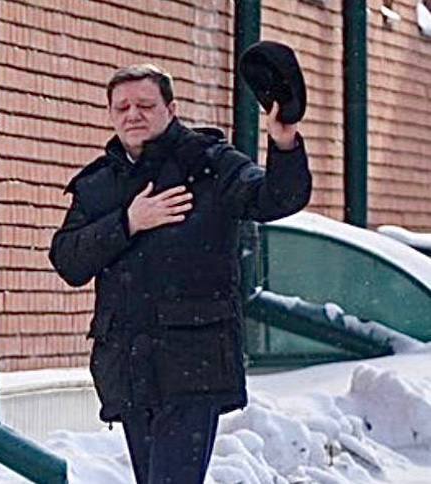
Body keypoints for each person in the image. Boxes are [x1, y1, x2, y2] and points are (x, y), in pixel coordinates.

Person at [48, 64, 312, 483]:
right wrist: (128, 222)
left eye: (145, 105)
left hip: (193, 361)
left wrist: (283, 142)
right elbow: (68, 260)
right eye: (122, 107)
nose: (133, 115)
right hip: (128, 367)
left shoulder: (209, 164)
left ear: (171, 109)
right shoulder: (100, 183)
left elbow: (276, 198)